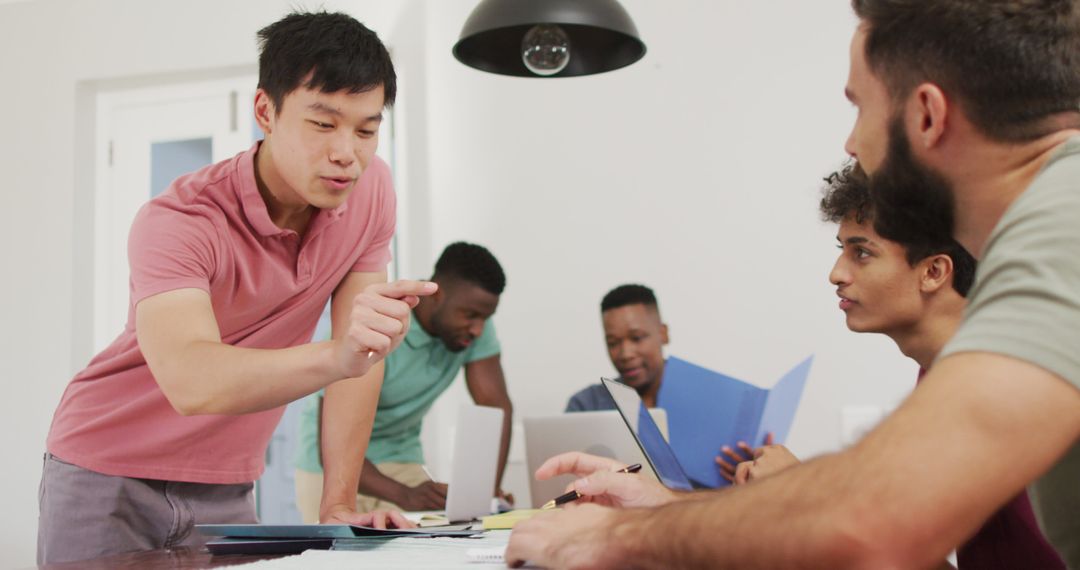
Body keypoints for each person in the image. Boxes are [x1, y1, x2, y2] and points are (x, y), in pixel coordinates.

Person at [506, 1, 1080, 567]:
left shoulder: (1064, 222)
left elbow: (871, 524)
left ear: (926, 115)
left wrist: (613, 538)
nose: (852, 144)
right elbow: (906, 536)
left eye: (859, 107)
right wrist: (659, 510)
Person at [38, 11, 428, 565]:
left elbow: (361, 355)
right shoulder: (180, 219)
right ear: (265, 110)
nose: (348, 152)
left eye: (366, 129)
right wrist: (343, 355)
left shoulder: (372, 191)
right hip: (107, 470)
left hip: (227, 484)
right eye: (323, 124)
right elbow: (192, 380)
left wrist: (337, 502)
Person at [731, 164, 1063, 569]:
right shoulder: (940, 376)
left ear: (934, 272)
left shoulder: (1017, 390)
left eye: (862, 253)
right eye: (843, 252)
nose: (836, 275)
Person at [294, 242, 514, 520]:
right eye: (470, 315)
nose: (478, 328)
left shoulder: (474, 328)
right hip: (330, 462)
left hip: (401, 457)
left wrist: (488, 492)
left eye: (485, 317)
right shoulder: (383, 320)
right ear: (436, 295)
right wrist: (404, 495)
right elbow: (333, 442)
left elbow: (495, 406)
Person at [565, 284, 669, 411]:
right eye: (613, 343)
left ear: (663, 334)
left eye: (636, 338)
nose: (625, 354)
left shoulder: (698, 392)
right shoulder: (586, 405)